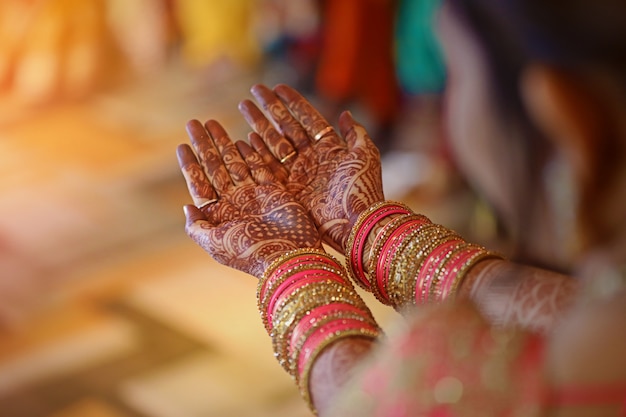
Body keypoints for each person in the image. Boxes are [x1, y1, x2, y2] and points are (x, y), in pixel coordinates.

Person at [176, 0, 626, 415]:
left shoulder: (514, 383)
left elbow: (375, 403)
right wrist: (371, 231)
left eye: (455, 75)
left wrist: (291, 268)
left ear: (571, 118)